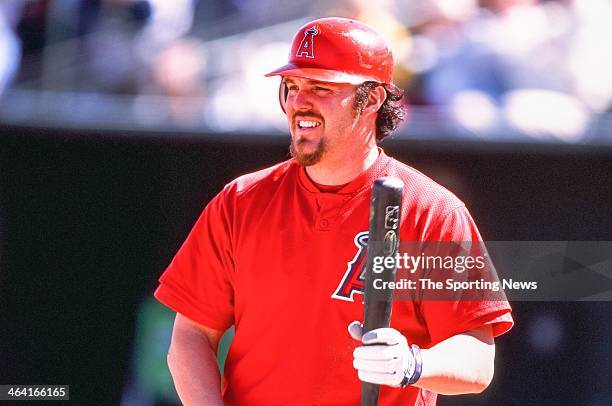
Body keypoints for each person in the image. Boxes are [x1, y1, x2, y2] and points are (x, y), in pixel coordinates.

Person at [154, 17, 514, 405]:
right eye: (291, 86)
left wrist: (414, 364)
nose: (298, 101)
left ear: (373, 99)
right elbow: (190, 337)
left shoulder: (431, 210)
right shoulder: (241, 200)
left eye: (320, 87)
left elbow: (478, 361)